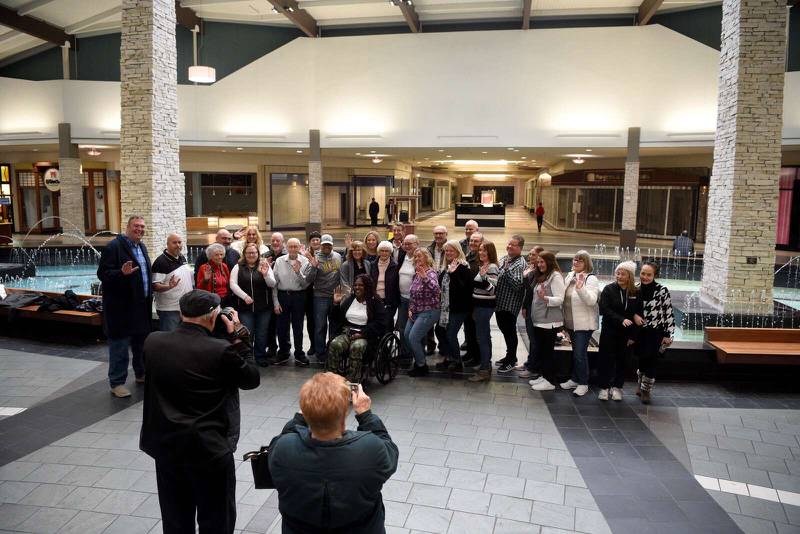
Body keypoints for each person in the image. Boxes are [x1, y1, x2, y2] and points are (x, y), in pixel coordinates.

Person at [140, 289, 260, 534]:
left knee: (175, 520)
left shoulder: (153, 341)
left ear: (181, 313)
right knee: (216, 520)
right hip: (208, 450)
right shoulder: (220, 351)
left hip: (167, 447)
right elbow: (251, 378)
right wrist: (238, 336)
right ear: (212, 315)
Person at [267, 373, 398, 534]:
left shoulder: (283, 449)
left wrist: (300, 418)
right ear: (343, 416)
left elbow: (284, 437)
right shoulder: (371, 449)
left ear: (305, 412)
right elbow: (390, 451)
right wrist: (366, 416)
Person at [97, 215, 153, 398]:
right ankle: (117, 383)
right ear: (127, 227)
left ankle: (141, 374)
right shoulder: (114, 247)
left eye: (143, 226)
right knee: (120, 346)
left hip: (140, 306)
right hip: (120, 308)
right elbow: (103, 274)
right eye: (136, 226)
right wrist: (121, 273)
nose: (140, 229)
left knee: (140, 344)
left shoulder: (142, 247)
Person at [327, 275, 387, 381]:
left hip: (365, 334)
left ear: (367, 287)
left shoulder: (375, 301)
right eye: (355, 285)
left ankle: (353, 378)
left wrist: (363, 333)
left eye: (360, 285)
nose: (357, 287)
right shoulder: (350, 299)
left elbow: (380, 323)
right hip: (347, 332)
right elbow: (337, 319)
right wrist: (336, 304)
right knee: (335, 344)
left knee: (357, 347)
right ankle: (331, 377)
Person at [598, 261, 642, 401]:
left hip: (626, 334)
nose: (619, 276)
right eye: (618, 273)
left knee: (623, 361)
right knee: (606, 360)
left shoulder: (635, 292)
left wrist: (633, 336)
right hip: (609, 331)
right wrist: (621, 319)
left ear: (629, 276)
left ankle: (617, 387)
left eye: (623, 274)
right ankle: (604, 387)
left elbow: (637, 314)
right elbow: (604, 309)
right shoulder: (608, 289)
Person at [559, 250, 600, 397]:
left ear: (586, 263)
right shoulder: (570, 276)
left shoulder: (591, 279)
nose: (575, 262)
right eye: (575, 259)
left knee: (579, 354)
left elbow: (591, 301)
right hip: (570, 323)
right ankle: (575, 379)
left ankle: (583, 383)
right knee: (576, 353)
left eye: (580, 260)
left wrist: (580, 288)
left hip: (583, 324)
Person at [523, 251, 565, 391]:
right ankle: (544, 375)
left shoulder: (556, 276)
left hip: (549, 321)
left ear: (550, 262)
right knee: (541, 350)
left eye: (542, 262)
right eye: (539, 262)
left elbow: (560, 299)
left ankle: (550, 381)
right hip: (540, 320)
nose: (540, 264)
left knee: (547, 352)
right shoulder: (543, 276)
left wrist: (545, 298)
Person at [230, 243, 277, 367]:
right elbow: (233, 284)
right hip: (245, 308)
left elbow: (272, 284)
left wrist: (266, 274)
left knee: (262, 334)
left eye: (254, 253)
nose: (251, 255)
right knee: (247, 334)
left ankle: (260, 356)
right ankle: (248, 357)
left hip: (264, 308)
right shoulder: (237, 267)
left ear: (258, 254)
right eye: (249, 253)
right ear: (244, 254)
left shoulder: (264, 265)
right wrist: (244, 296)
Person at [634, 261, 675, 404]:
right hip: (640, 332)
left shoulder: (662, 290)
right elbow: (630, 309)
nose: (645, 277)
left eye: (648, 274)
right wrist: (634, 316)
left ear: (654, 275)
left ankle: (646, 390)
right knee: (642, 359)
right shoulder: (635, 289)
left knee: (652, 360)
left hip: (656, 332)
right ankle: (640, 384)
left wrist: (668, 334)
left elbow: (668, 313)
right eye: (643, 273)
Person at [272, 238, 312, 366]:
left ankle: (299, 353)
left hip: (298, 296)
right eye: (290, 246)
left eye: (295, 246)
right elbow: (274, 284)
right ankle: (283, 351)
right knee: (282, 326)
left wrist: (298, 272)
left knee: (298, 326)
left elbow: (305, 284)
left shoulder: (305, 261)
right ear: (286, 247)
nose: (293, 249)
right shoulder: (279, 261)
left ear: (299, 247)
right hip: (283, 295)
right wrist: (275, 302)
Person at [435, 240, 473, 373]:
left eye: (452, 250)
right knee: (440, 331)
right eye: (447, 251)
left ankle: (457, 361)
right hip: (446, 307)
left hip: (458, 308)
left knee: (451, 334)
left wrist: (453, 273)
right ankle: (449, 357)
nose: (449, 253)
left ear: (458, 251)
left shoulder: (463, 266)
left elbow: (464, 288)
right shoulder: (447, 266)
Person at [305, 234, 343, 362]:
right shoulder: (315, 257)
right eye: (324, 244)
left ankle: (332, 351)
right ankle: (320, 353)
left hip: (335, 297)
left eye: (329, 245)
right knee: (320, 327)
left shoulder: (338, 256)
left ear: (332, 245)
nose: (326, 247)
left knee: (335, 326)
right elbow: (308, 280)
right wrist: (314, 268)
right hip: (320, 297)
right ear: (321, 245)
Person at [405, 248, 441, 377]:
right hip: (415, 311)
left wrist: (425, 278)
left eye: (419, 256)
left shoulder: (431, 273)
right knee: (406, 335)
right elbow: (413, 294)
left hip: (429, 311)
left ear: (426, 257)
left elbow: (436, 291)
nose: (417, 259)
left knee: (413, 337)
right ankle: (419, 359)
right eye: (415, 257)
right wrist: (410, 308)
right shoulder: (416, 273)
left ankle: (421, 365)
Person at [468, 241, 499, 382]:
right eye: (480, 250)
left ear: (490, 252)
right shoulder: (484, 266)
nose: (481, 253)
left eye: (484, 251)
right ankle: (485, 364)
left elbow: (492, 290)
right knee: (484, 336)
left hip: (485, 307)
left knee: (482, 338)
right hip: (479, 306)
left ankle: (484, 370)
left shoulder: (492, 267)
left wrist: (484, 277)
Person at [495, 235, 527, 373]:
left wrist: (507, 271)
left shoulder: (520, 264)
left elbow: (518, 285)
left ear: (519, 248)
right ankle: (509, 356)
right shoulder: (505, 259)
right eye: (509, 244)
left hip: (509, 305)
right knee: (505, 331)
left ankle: (512, 360)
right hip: (500, 303)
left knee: (510, 333)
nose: (509, 247)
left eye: (513, 245)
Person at [152, 232, 194, 332]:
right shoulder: (161, 262)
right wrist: (169, 286)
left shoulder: (182, 258)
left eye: (179, 242)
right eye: (174, 243)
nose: (178, 245)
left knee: (182, 341)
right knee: (169, 342)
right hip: (169, 310)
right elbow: (155, 286)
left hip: (184, 307)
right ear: (167, 244)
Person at [518, 246, 545, 378]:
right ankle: (530, 363)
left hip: (536, 310)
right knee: (531, 338)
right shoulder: (532, 270)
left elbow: (531, 290)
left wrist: (526, 276)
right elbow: (527, 292)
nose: (530, 257)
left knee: (534, 340)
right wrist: (524, 307)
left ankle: (533, 367)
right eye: (530, 254)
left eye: (533, 255)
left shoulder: (540, 272)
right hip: (529, 308)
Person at [461, 231, 484, 367]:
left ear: (481, 242)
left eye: (476, 241)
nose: (473, 243)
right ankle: (470, 352)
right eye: (471, 241)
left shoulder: (480, 259)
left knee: (476, 331)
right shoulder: (468, 255)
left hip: (476, 300)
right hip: (467, 300)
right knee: (469, 328)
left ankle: (477, 357)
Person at [265, 232, 287, 358]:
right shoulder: (265, 256)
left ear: (282, 242)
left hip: (282, 293)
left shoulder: (287, 255)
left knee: (283, 325)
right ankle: (272, 347)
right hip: (268, 295)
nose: (275, 243)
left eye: (277, 240)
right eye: (273, 240)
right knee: (270, 324)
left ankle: (284, 348)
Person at [397, 234, 419, 359]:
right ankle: (405, 353)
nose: (407, 246)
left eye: (410, 243)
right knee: (402, 327)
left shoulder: (420, 258)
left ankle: (417, 354)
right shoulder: (402, 256)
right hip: (402, 298)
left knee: (415, 329)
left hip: (416, 301)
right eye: (405, 243)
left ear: (417, 244)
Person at [370, 240, 399, 328]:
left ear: (390, 252)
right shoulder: (372, 265)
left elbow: (396, 285)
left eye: (387, 251)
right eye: (382, 251)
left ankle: (387, 340)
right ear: (378, 252)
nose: (384, 253)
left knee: (387, 323)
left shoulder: (395, 266)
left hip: (389, 301)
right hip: (375, 299)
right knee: (375, 322)